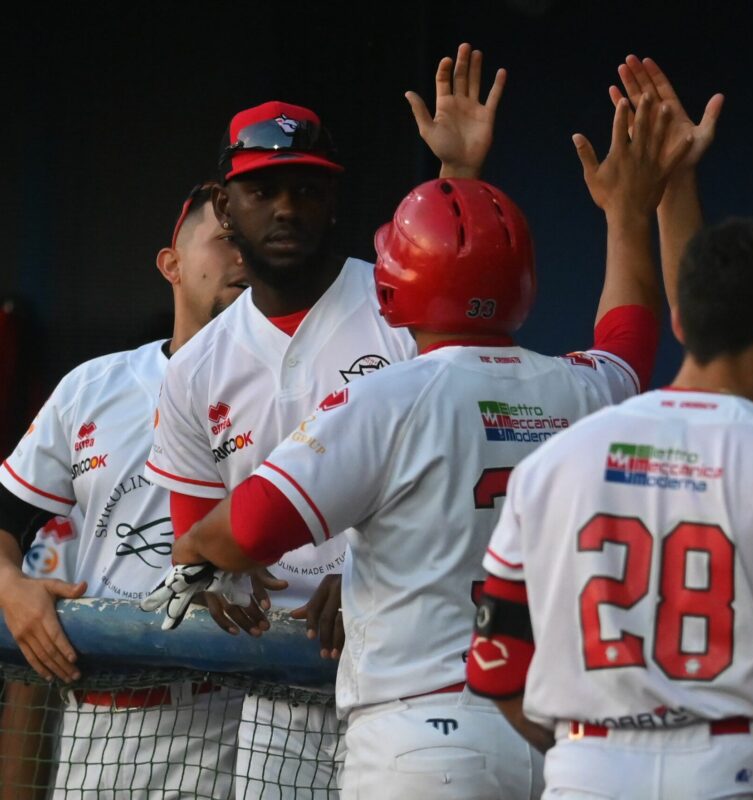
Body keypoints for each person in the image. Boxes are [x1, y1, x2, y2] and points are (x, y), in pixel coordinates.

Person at [149, 80, 685, 798]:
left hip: (419, 730)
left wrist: (192, 548)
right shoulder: (578, 384)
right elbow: (630, 339)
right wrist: (626, 214)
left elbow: (240, 532)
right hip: (542, 728)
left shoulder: (381, 397)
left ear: (395, 291)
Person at [468, 217, 753, 799]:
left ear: (681, 321)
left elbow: (495, 663)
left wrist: (590, 757)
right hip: (732, 770)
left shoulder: (556, 460)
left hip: (589, 770)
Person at [0, 181, 246, 798]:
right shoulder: (95, 385)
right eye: (224, 239)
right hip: (100, 724)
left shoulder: (295, 387)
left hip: (234, 716)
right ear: (172, 264)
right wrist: (11, 586)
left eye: (251, 242)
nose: (242, 256)